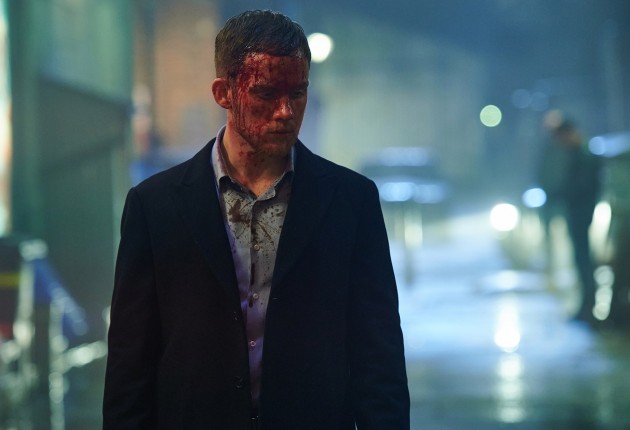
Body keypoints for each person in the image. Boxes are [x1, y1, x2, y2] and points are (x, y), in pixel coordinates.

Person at [103, 9, 410, 430]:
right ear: (223, 93)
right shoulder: (155, 206)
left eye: (298, 93)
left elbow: (379, 355)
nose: (285, 111)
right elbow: (130, 361)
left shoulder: (350, 202)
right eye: (265, 93)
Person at [538, 110, 601, 323]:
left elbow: (582, 186)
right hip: (578, 212)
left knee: (583, 260)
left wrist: (560, 193)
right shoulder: (580, 152)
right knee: (581, 259)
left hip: (581, 213)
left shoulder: (583, 154)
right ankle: (586, 306)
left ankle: (588, 307)